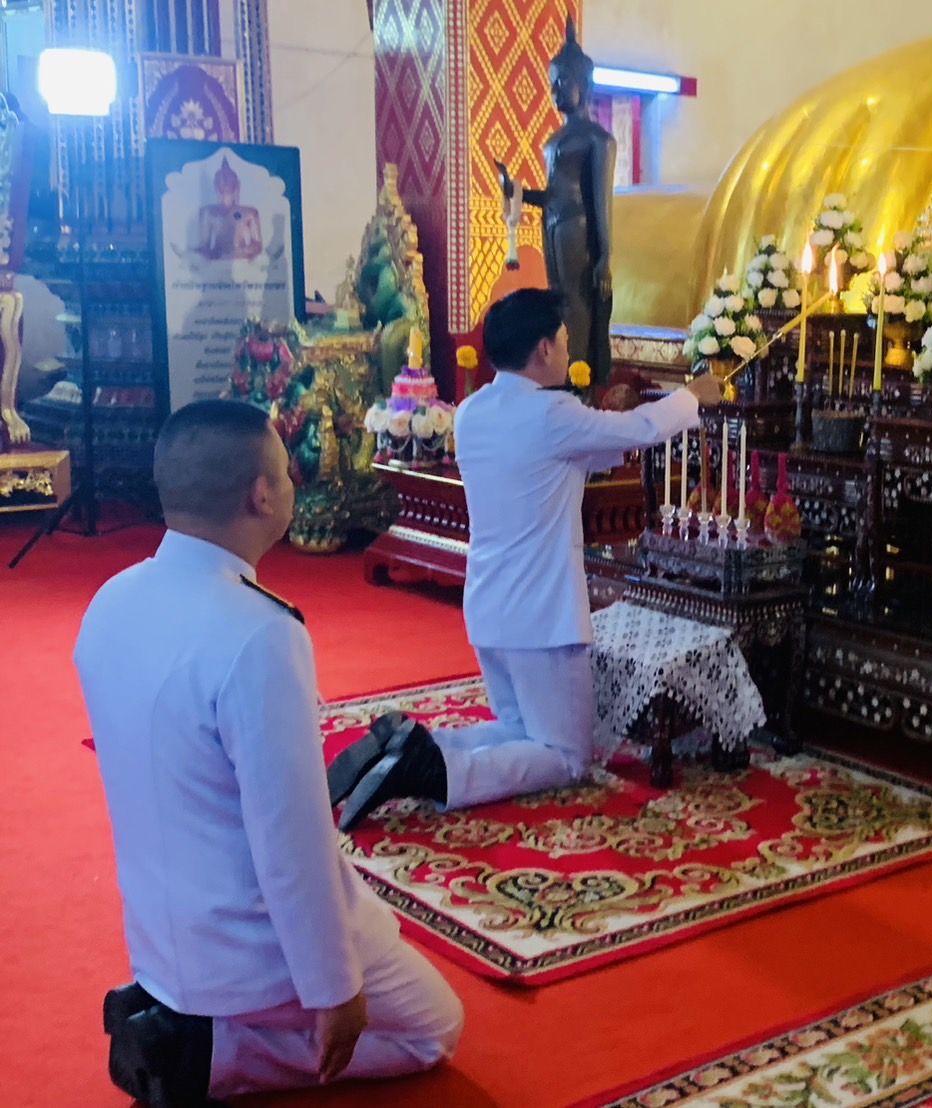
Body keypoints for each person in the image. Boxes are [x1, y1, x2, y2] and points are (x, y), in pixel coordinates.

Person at [75, 400, 463, 1107]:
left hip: (158, 936)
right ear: (261, 495)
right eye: (286, 472)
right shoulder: (258, 633)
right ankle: (209, 1056)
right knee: (435, 1026)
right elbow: (292, 841)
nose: (292, 483)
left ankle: (178, 1021)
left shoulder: (111, 600)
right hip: (248, 949)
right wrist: (332, 987)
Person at [329, 288, 722, 829]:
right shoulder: (552, 414)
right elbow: (640, 430)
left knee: (520, 732)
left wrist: (616, 422)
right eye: (564, 340)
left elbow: (580, 452)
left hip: (490, 607)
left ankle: (408, 745)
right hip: (541, 615)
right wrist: (693, 396)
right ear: (543, 348)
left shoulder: (473, 412)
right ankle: (433, 772)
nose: (568, 350)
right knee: (566, 756)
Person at [496, 16, 616, 386]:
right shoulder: (554, 141)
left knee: (578, 307)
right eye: (552, 84)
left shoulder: (597, 139)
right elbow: (552, 194)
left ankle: (581, 380)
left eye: (562, 82)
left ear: (584, 83)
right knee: (558, 304)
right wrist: (515, 189)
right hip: (553, 227)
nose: (555, 92)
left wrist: (604, 257)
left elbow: (601, 202)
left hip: (578, 232)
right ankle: (561, 378)